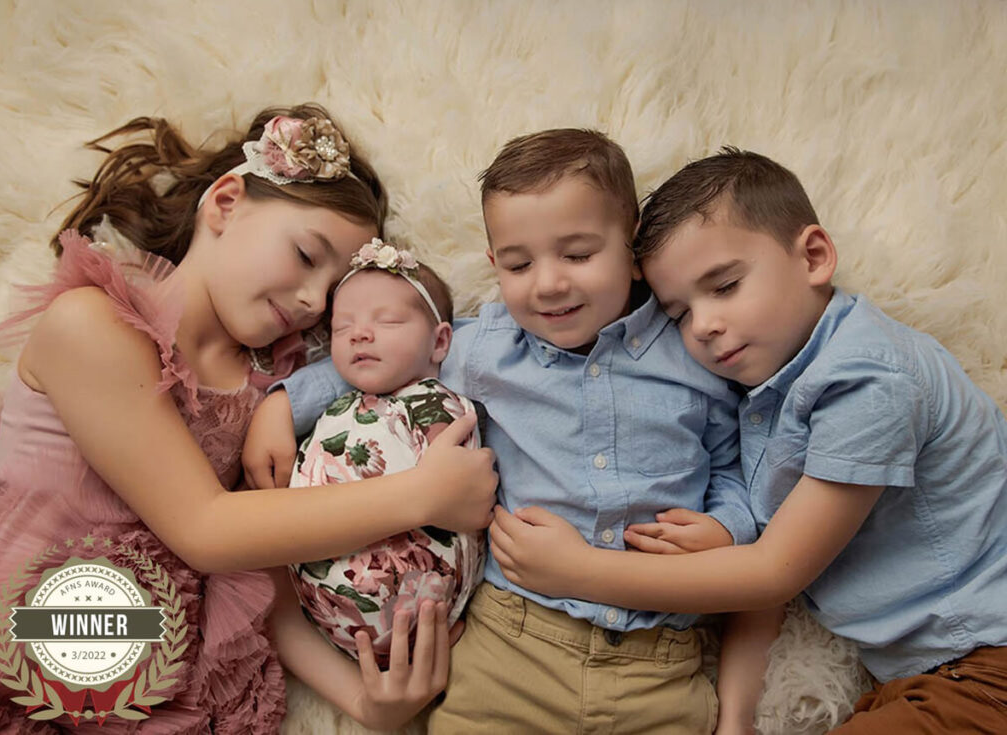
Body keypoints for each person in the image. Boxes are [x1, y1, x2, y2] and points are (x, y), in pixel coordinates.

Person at [0, 105, 497, 733]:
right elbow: (206, 528)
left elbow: (257, 572)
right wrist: (421, 495)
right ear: (225, 203)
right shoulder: (91, 326)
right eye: (307, 255)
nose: (313, 302)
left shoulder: (263, 390)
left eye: (332, 293)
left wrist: (364, 702)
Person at [243, 129, 757, 733]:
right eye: (519, 264)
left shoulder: (693, 351)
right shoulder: (483, 349)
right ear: (494, 265)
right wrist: (282, 404)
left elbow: (734, 463)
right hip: (511, 641)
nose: (548, 284)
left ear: (633, 249)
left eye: (578, 255)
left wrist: (727, 526)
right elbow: (388, 350)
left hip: (660, 659)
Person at [490, 147, 1007, 734]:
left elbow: (772, 573)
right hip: (921, 680)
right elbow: (764, 581)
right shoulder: (764, 395)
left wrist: (577, 570)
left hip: (987, 663)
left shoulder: (870, 379)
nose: (704, 325)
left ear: (813, 256)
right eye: (679, 312)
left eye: (726, 286)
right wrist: (735, 722)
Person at [277, 239, 484, 671]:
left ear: (441, 341)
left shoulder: (432, 402)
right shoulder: (336, 409)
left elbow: (456, 493)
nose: (359, 334)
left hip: (413, 604)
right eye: (341, 327)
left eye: (387, 321)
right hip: (322, 614)